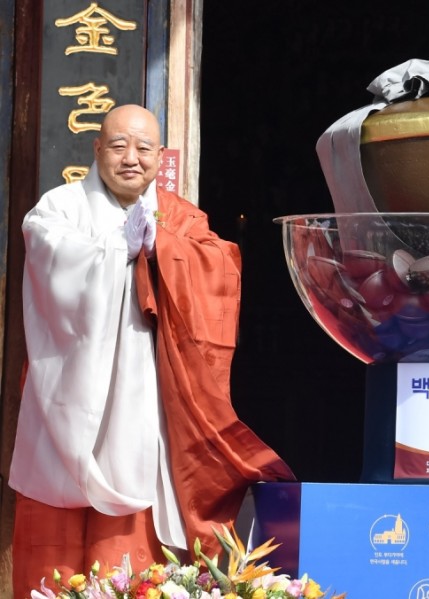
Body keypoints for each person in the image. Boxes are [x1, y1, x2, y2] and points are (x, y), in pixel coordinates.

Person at [9, 104, 295, 597]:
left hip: (141, 388)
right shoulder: (59, 207)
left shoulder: (177, 216)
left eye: (144, 148)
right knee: (55, 529)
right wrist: (116, 250)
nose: (131, 158)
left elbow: (220, 265)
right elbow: (49, 257)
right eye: (118, 146)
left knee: (132, 505)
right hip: (67, 397)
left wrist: (163, 248)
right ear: (96, 148)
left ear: (160, 157)